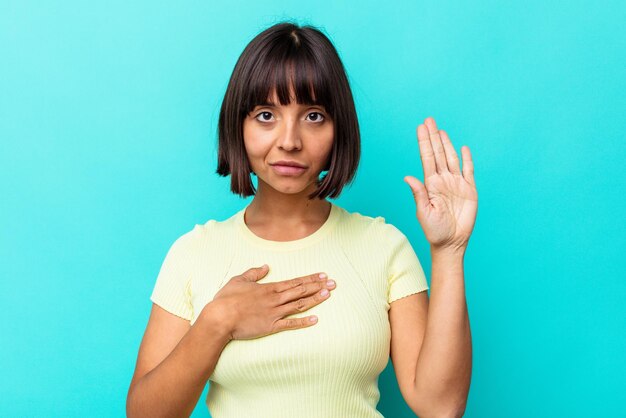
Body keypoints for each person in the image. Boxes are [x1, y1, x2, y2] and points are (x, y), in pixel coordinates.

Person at [126, 20, 476, 418]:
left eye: (312, 116)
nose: (289, 140)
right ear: (237, 126)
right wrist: (217, 321)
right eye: (265, 115)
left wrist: (449, 251)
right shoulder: (193, 253)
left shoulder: (383, 246)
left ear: (337, 129)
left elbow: (440, 406)